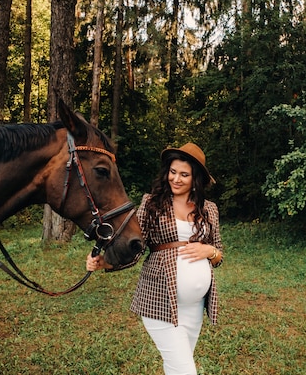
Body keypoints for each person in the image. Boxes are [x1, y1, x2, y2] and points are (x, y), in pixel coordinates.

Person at [86, 142, 223, 375]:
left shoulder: (208, 209)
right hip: (159, 301)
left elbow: (219, 252)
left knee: (177, 366)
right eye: (172, 172)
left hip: (194, 307)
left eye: (184, 174)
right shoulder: (152, 203)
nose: (176, 179)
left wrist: (210, 252)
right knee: (185, 371)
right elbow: (136, 247)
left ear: (195, 178)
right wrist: (106, 261)